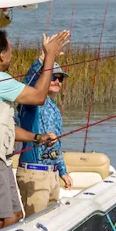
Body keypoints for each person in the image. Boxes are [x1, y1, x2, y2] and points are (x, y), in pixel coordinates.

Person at [0, 29, 70, 231]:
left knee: (14, 216)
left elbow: (6, 128)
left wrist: (37, 138)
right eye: (10, 51)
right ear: (2, 55)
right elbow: (38, 95)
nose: (12, 55)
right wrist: (50, 56)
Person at [16, 53, 73, 215]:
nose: (57, 81)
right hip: (34, 172)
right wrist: (42, 60)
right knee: (35, 224)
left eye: (60, 79)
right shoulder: (31, 102)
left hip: (52, 174)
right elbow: (28, 82)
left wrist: (63, 171)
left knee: (50, 223)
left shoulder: (55, 110)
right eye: (53, 77)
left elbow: (57, 145)